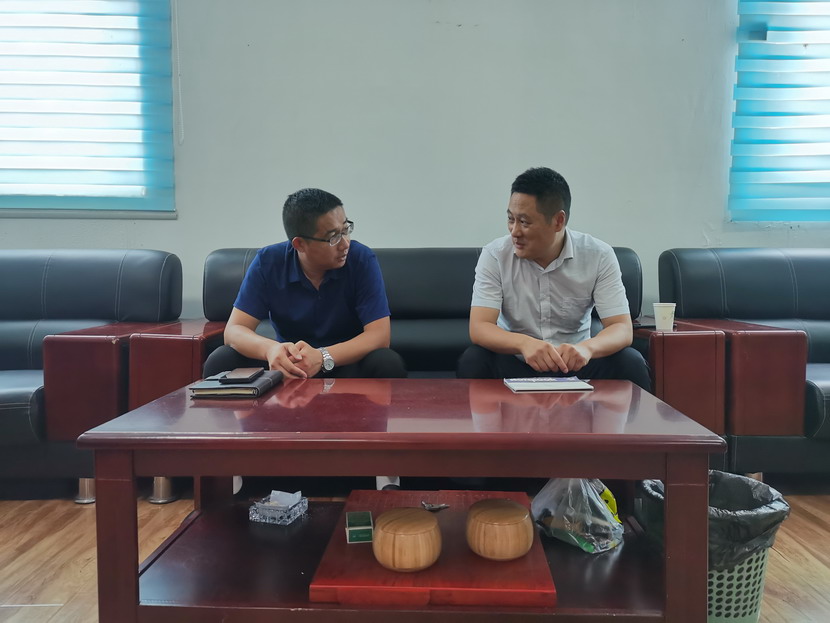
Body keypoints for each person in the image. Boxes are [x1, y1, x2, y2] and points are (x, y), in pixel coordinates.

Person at [204, 187, 406, 490]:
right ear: (299, 243)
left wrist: (323, 357)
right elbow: (234, 331)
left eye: (346, 229)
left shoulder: (361, 259)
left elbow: (380, 336)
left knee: (386, 361)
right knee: (221, 359)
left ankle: (386, 476)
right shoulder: (269, 261)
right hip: (288, 366)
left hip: (343, 364)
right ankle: (231, 475)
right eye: (333, 236)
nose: (345, 243)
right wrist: (271, 350)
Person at [456, 167, 651, 390]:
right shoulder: (495, 255)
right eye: (511, 219)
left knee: (630, 362)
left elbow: (621, 328)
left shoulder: (598, 255)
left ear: (558, 221)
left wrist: (587, 348)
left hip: (576, 363)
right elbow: (480, 326)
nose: (514, 231)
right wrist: (524, 344)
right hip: (518, 361)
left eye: (525, 222)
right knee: (474, 359)